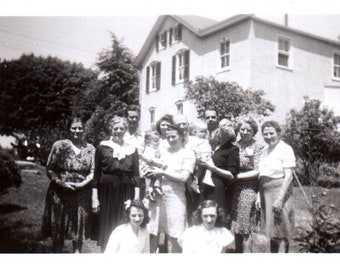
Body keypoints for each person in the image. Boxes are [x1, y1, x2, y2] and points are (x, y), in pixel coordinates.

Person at [41, 117, 95, 253]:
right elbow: (50, 169)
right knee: (58, 229)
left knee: (78, 230)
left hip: (82, 193)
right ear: (68, 129)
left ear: (84, 129)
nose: (77, 131)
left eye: (80, 128)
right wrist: (61, 183)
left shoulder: (90, 148)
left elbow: (93, 171)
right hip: (60, 193)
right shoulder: (59, 146)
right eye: (74, 128)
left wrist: (83, 184)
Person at [91, 116, 140, 252]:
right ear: (110, 129)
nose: (118, 131)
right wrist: (94, 199)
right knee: (107, 228)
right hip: (106, 193)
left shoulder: (132, 149)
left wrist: (136, 199)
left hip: (126, 193)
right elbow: (96, 175)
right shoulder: (102, 147)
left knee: (124, 227)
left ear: (126, 129)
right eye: (115, 128)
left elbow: (136, 176)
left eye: (122, 128)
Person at [147, 124, 196, 253]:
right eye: (168, 137)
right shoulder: (163, 151)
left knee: (175, 232)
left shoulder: (188, 153)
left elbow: (184, 178)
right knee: (154, 230)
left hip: (176, 196)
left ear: (181, 136)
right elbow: (154, 171)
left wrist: (163, 174)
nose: (170, 140)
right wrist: (152, 186)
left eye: (173, 137)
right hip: (158, 195)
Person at [257, 120, 296, 253]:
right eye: (265, 134)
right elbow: (262, 174)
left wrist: (280, 198)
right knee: (272, 229)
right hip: (265, 191)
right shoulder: (264, 151)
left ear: (278, 133)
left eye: (271, 133)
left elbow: (289, 176)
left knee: (283, 228)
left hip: (280, 190)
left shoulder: (285, 149)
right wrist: (258, 196)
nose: (268, 137)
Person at [230, 116, 264, 253]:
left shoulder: (258, 147)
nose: (244, 132)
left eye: (248, 130)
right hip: (233, 189)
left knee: (245, 226)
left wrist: (236, 176)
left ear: (253, 131)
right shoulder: (235, 146)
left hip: (248, 188)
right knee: (236, 225)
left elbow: (257, 171)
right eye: (242, 129)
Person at [199, 118, 240, 221]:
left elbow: (231, 175)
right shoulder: (211, 146)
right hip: (204, 185)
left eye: (224, 132)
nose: (220, 134)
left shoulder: (232, 149)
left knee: (216, 217)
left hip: (217, 188)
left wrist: (213, 168)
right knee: (203, 217)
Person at [140, 130, 167, 201]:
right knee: (159, 172)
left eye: (158, 141)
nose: (157, 143)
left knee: (154, 177)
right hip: (147, 169)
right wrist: (158, 163)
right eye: (155, 141)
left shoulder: (155, 149)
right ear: (147, 141)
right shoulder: (148, 149)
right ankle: (156, 186)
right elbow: (149, 159)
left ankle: (150, 191)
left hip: (152, 168)